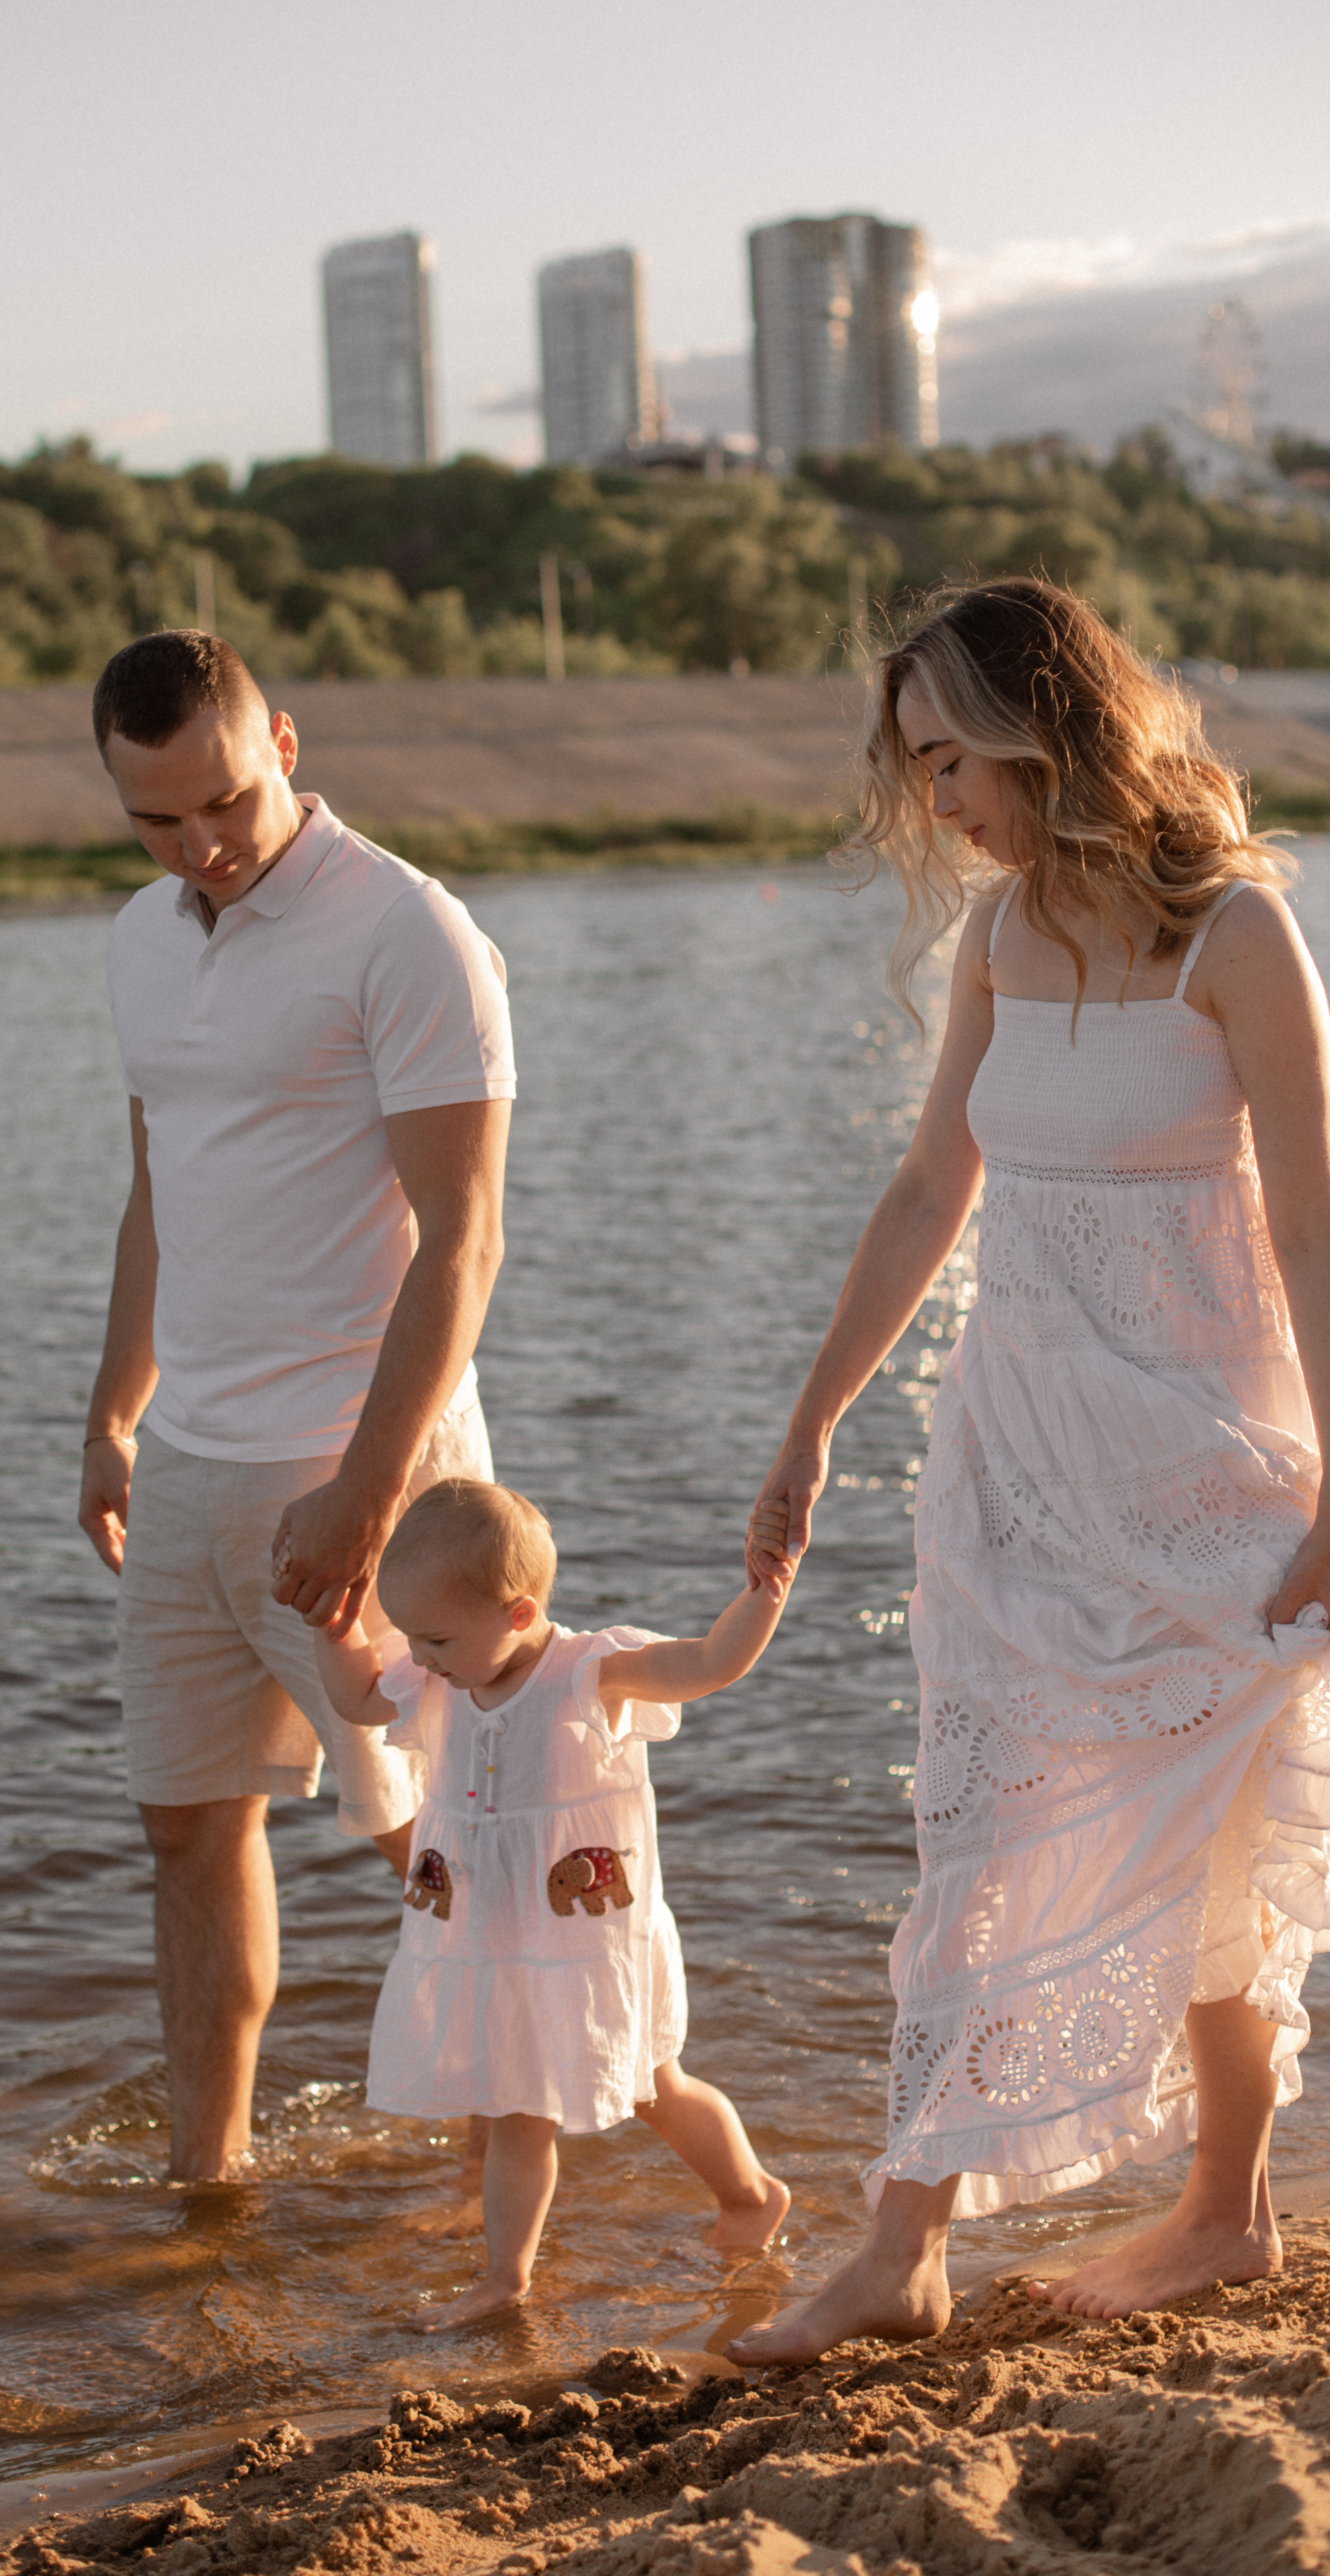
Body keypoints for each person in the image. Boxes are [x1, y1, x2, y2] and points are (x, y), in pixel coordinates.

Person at [729, 577, 1330, 2365]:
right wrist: (813, 1417)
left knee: (1218, 1829)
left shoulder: (1235, 937)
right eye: (914, 767)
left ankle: (1227, 2215)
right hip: (1013, 1461)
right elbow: (933, 1191)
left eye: (950, 758)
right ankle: (898, 2247)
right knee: (980, 1832)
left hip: (1205, 1462)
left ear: (1044, 732)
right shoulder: (999, 938)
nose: (937, 799)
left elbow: (1316, 1235)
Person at [78, 631, 516, 2184]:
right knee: (188, 1832)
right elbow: (158, 1190)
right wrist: (111, 1411)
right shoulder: (142, 934)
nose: (197, 843)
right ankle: (208, 2182)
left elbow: (463, 1240)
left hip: (353, 1470)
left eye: (222, 798)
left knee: (444, 1843)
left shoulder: (405, 931)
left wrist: (370, 1492)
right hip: (190, 1466)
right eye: (154, 818)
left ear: (280, 735)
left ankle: (511, 2201)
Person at [313, 1475, 795, 2329]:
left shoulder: (589, 1674)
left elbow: (709, 1664)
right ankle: (514, 2271)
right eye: (410, 1638)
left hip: (590, 1939)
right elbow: (353, 1697)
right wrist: (336, 1626)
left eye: (433, 1638)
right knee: (517, 2106)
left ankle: (747, 2196)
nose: (418, 1658)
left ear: (519, 1615)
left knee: (654, 2086)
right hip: (495, 1942)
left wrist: (763, 1593)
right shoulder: (441, 1679)